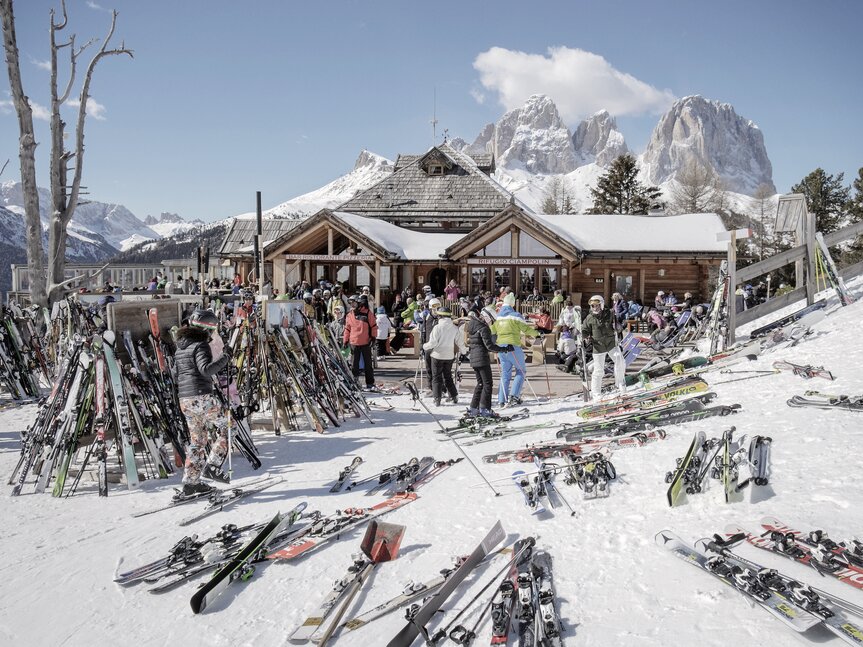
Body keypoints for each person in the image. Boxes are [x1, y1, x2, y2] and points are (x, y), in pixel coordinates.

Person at [174, 309, 233, 495]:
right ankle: (213, 466)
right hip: (201, 397)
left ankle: (191, 483)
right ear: (206, 329)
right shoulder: (200, 346)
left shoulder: (181, 347)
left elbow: (179, 372)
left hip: (185, 399)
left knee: (197, 440)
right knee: (228, 428)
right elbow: (206, 370)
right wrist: (225, 357)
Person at [491, 293, 538, 406]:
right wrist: (537, 334)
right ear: (512, 304)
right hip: (513, 347)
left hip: (501, 348)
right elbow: (526, 329)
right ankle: (514, 396)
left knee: (505, 374)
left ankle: (502, 399)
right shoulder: (515, 315)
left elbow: (492, 330)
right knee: (521, 371)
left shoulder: (498, 317)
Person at [465, 299, 511, 416]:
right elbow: (489, 346)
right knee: (487, 384)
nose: (491, 323)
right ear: (487, 317)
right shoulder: (483, 328)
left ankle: (474, 408)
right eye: (491, 320)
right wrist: (504, 349)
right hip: (481, 358)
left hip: (474, 358)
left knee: (480, 383)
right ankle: (485, 408)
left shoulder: (472, 325)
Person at [581, 295, 626, 399]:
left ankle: (620, 385)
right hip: (598, 347)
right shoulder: (589, 318)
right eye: (592, 306)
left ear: (601, 305)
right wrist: (582, 335)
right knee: (598, 370)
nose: (594, 308)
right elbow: (584, 330)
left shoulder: (610, 314)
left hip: (611, 344)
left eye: (596, 306)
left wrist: (618, 327)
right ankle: (596, 394)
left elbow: (617, 324)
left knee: (620, 361)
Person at [422, 308, 467, 406]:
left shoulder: (437, 328)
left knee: (436, 377)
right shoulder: (454, 328)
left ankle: (437, 398)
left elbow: (432, 343)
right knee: (448, 377)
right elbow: (459, 342)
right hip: (449, 356)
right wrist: (464, 351)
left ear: (440, 316)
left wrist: (425, 346)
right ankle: (454, 396)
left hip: (437, 355)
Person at [343, 295, 377, 391]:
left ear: (359, 303)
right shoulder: (349, 315)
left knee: (368, 364)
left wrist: (373, 337)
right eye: (350, 304)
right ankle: (355, 381)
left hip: (366, 342)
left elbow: (374, 326)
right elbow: (347, 329)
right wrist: (345, 340)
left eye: (354, 303)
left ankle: (370, 383)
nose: (352, 305)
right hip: (354, 342)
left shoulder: (367, 313)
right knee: (354, 364)